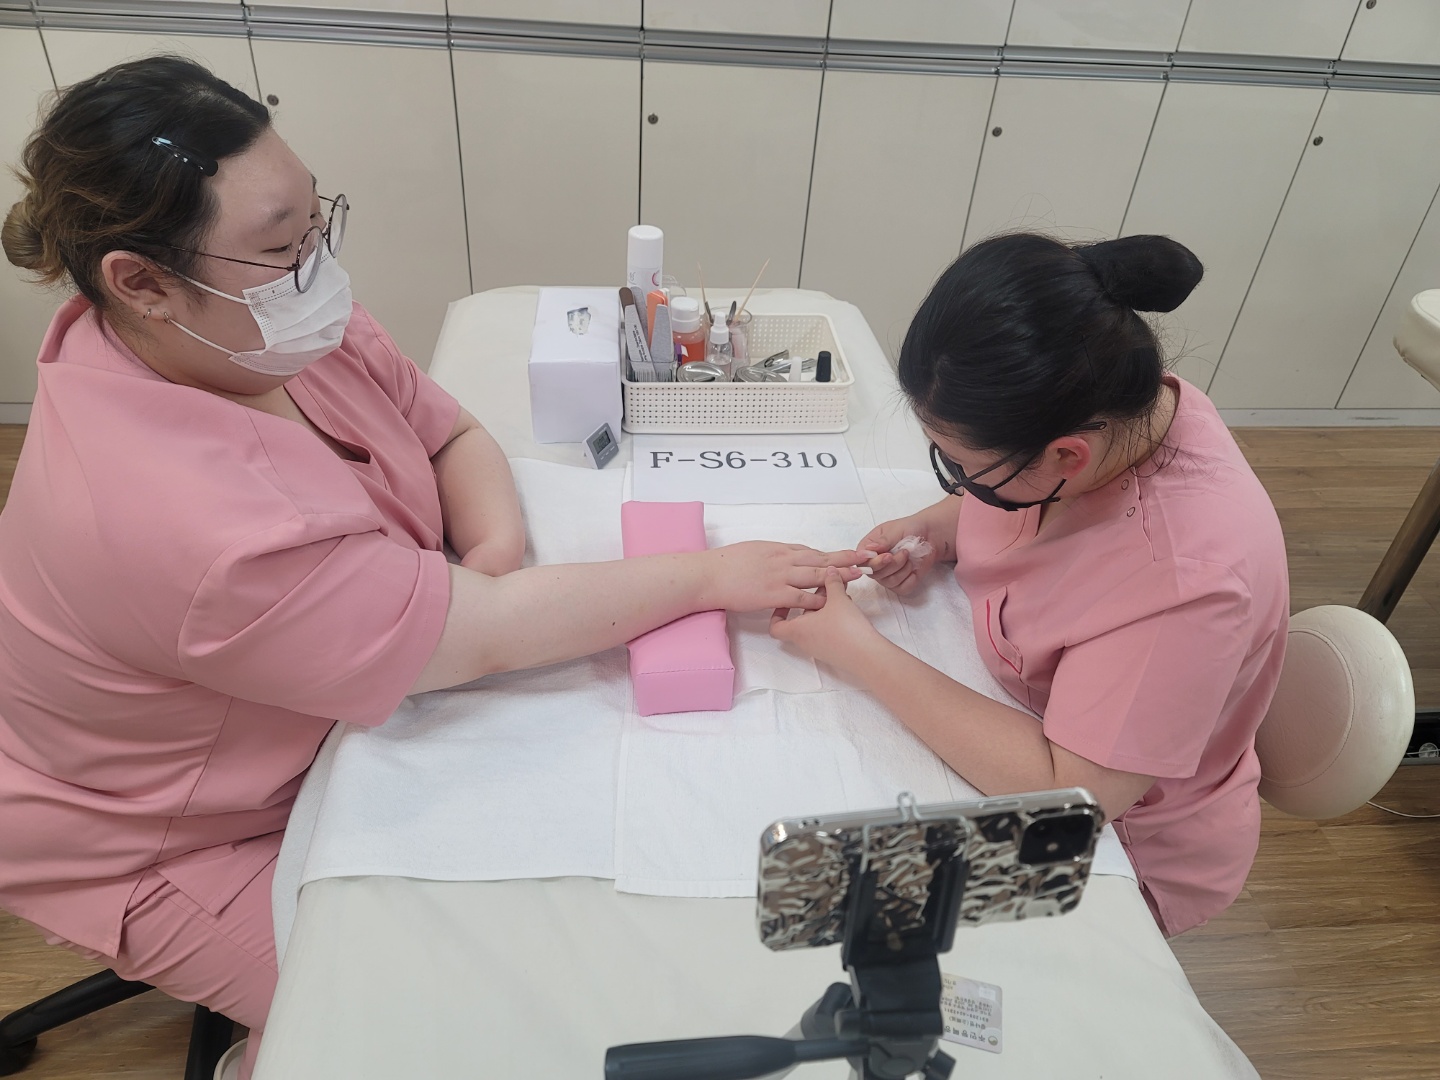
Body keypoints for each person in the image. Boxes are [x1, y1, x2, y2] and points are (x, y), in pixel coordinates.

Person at [0, 57, 861, 1079]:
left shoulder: (254, 329)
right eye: (281, 245)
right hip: (170, 837)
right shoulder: (185, 518)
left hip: (325, 710)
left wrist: (487, 565)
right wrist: (704, 578)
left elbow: (446, 431)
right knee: (432, 1025)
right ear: (141, 282)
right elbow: (479, 636)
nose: (317, 266)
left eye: (317, 224)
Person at [771, 233, 1290, 937]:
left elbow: (1065, 794)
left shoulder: (1185, 583)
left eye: (963, 468)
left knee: (820, 904)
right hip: (1022, 718)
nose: (961, 484)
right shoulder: (1114, 406)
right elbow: (1016, 501)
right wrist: (936, 529)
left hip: (1115, 845)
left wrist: (855, 649)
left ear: (1067, 455)